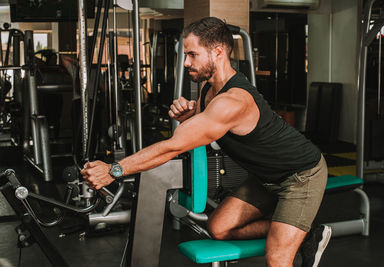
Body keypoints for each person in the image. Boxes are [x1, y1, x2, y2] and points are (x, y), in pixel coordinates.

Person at [81, 17, 331, 267]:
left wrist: (114, 170)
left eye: (192, 54)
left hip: (300, 175)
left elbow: (174, 145)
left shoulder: (233, 101)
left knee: (277, 258)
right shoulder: (209, 91)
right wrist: (191, 116)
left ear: (218, 52)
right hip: (265, 177)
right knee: (219, 228)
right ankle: (304, 233)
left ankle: (291, 233)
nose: (186, 62)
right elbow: (202, 126)